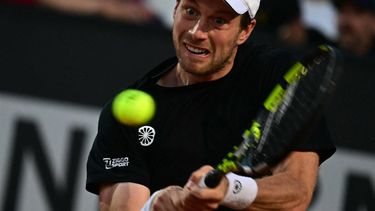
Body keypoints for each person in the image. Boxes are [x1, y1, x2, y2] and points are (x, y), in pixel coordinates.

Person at [86, 0, 336, 210]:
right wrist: (155, 204)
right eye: (191, 11)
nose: (197, 31)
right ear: (175, 9)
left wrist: (229, 190)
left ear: (245, 31)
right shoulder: (124, 114)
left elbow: (297, 192)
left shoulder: (275, 75)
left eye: (219, 20)